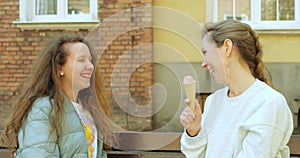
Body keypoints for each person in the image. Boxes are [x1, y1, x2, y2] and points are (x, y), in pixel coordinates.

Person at [180, 19, 293, 158]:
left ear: (227, 47)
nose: (203, 64)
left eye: (205, 52)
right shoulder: (214, 101)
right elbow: (198, 155)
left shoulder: (269, 103)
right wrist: (194, 131)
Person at [0, 33, 116, 157]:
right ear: (60, 68)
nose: (90, 66)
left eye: (90, 60)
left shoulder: (89, 109)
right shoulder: (43, 109)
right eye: (81, 60)